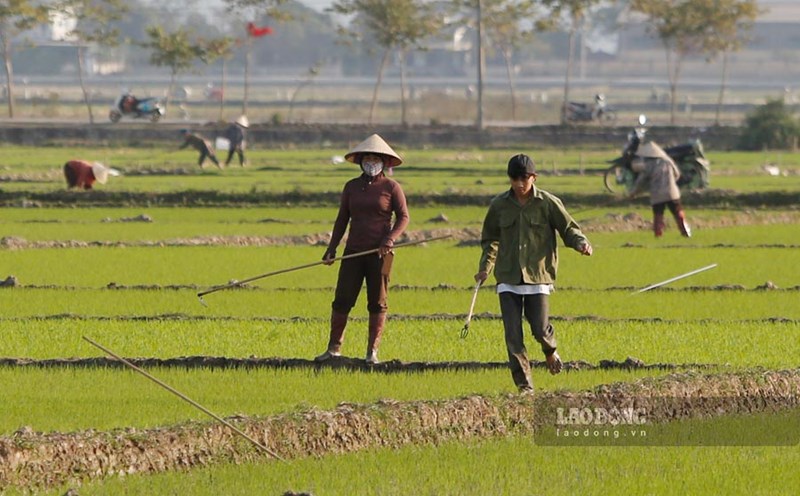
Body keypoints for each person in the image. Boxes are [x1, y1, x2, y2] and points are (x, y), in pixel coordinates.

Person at [475, 154, 592, 393]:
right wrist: (484, 268)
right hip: (508, 278)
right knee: (513, 336)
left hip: (538, 277)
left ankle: (549, 350)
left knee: (539, 328)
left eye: (524, 178)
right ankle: (524, 387)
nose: (519, 183)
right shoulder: (499, 205)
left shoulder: (548, 203)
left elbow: (568, 228)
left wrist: (580, 243)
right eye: (515, 178)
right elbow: (490, 240)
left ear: (533, 178)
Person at [315, 134, 410, 365]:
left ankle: (372, 352)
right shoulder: (351, 187)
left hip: (380, 254)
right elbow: (342, 220)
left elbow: (403, 217)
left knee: (377, 302)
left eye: (375, 158)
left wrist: (389, 239)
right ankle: (333, 348)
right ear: (360, 161)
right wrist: (331, 249)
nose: (370, 162)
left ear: (383, 162)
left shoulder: (391, 187)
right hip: (353, 252)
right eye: (367, 158)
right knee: (342, 300)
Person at [627, 143, 691, 237]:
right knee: (678, 212)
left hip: (657, 194)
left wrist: (633, 193)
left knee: (658, 215)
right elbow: (677, 174)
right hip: (671, 192)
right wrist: (671, 182)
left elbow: (641, 182)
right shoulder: (668, 161)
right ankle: (685, 231)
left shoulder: (648, 165)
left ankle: (658, 234)